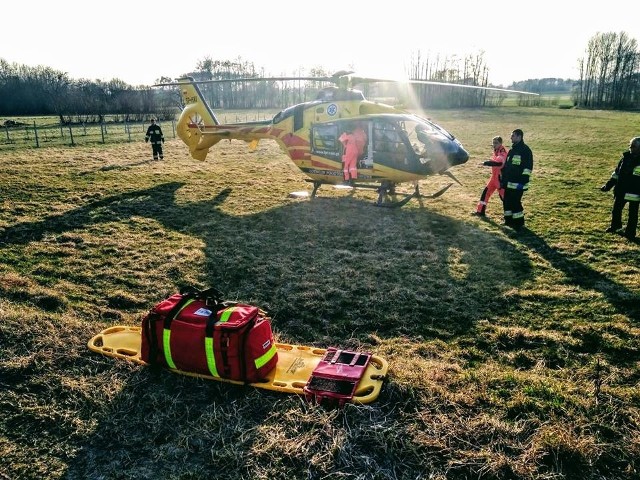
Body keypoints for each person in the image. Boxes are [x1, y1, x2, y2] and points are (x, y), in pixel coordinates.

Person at [601, 137, 640, 241]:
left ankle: (630, 233)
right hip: (621, 190)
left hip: (635, 193)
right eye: (630, 145)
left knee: (633, 214)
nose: (630, 148)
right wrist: (608, 186)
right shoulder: (625, 158)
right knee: (616, 210)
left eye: (634, 146)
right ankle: (615, 226)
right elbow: (616, 174)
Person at [501, 129, 533, 230]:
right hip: (509, 182)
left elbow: (528, 167)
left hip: (518, 183)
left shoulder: (525, 150)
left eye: (513, 136)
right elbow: (507, 165)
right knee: (507, 201)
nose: (511, 138)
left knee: (515, 203)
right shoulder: (512, 150)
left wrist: (523, 180)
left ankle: (519, 224)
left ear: (519, 137)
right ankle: (508, 221)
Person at [473, 136, 508, 216]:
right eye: (493, 143)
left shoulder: (503, 152)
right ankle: (480, 212)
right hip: (494, 178)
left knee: (505, 198)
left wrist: (486, 163)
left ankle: (510, 217)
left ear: (501, 143)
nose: (494, 144)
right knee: (485, 193)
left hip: (500, 180)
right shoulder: (496, 151)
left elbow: (498, 163)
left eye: (496, 143)